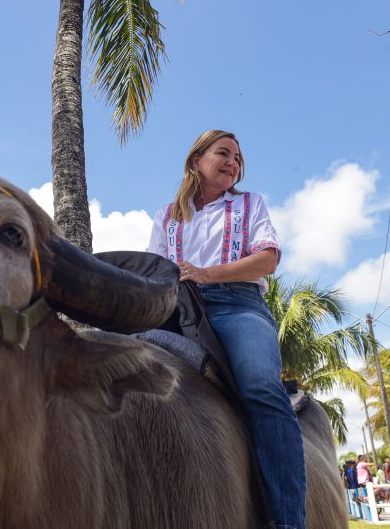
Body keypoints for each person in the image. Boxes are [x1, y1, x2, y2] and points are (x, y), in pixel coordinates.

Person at [146, 130, 304, 528]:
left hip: (239, 306)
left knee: (261, 389)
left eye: (237, 157)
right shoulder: (166, 216)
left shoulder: (251, 204)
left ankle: (289, 521)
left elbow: (267, 260)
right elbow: (155, 271)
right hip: (179, 309)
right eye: (224, 153)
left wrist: (205, 274)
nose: (233, 162)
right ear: (196, 160)